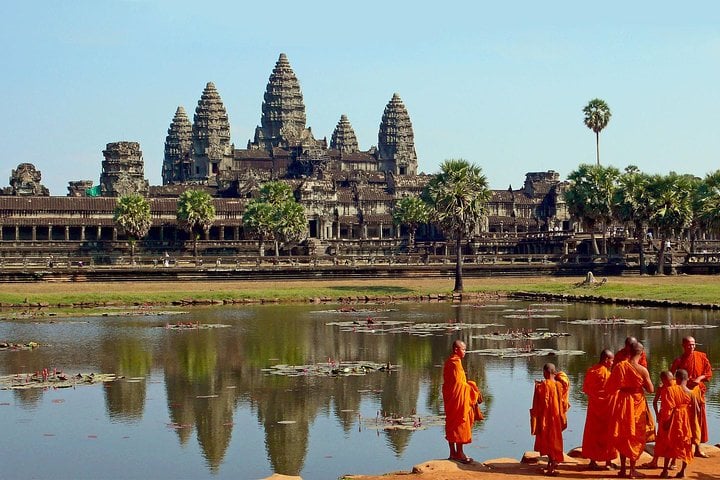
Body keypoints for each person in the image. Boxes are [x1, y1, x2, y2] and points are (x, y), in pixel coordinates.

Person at [606, 341, 654, 479]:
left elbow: (610, 388)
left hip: (622, 402)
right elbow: (651, 389)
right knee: (635, 436)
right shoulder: (642, 370)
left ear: (629, 352)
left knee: (623, 434)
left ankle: (622, 469)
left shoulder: (620, 366)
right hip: (637, 402)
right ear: (641, 352)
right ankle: (632, 470)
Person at [670, 336, 712, 458]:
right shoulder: (679, 360)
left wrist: (699, 378)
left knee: (697, 419)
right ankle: (682, 449)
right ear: (683, 345)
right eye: (689, 345)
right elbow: (671, 375)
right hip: (684, 393)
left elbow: (708, 373)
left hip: (697, 391)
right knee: (684, 421)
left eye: (693, 344)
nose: (692, 347)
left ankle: (698, 448)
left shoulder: (701, 356)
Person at [656, 369, 701, 479]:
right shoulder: (691, 393)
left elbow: (668, 409)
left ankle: (665, 471)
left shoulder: (671, 390)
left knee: (669, 443)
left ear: (677, 378)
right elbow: (697, 411)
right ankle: (682, 472)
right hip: (686, 422)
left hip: (674, 421)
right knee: (686, 446)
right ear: (687, 378)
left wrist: (666, 423)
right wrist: (693, 424)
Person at [442, 339, 481, 464]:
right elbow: (459, 384)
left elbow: (451, 383)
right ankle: (459, 453)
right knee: (459, 423)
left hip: (451, 398)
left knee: (451, 423)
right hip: (457, 399)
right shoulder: (455, 363)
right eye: (463, 349)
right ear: (456, 350)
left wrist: (467, 385)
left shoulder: (449, 362)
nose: (465, 352)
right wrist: (472, 387)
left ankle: (452, 453)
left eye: (465, 349)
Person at [530, 363, 568, 476]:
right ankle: (552, 462)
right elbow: (564, 397)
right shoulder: (559, 385)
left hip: (545, 419)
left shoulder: (541, 386)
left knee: (548, 439)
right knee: (555, 439)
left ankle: (551, 465)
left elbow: (537, 404)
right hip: (556, 417)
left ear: (545, 373)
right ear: (554, 372)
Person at [581, 349, 617, 470]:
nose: (613, 363)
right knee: (608, 433)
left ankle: (592, 461)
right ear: (606, 359)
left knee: (593, 433)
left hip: (594, 409)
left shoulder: (591, 371)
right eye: (612, 360)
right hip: (607, 409)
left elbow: (586, 389)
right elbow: (613, 390)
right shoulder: (607, 374)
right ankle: (608, 462)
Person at [645, 371, 676, 470]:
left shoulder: (677, 387)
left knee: (674, 439)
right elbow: (654, 402)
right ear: (663, 380)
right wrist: (657, 414)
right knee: (660, 439)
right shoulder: (661, 388)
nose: (670, 382)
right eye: (668, 381)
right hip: (664, 416)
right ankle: (655, 461)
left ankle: (673, 462)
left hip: (675, 417)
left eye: (671, 380)